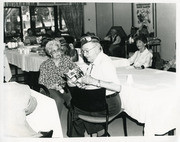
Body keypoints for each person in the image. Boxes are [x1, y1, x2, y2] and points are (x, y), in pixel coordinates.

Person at [67, 35, 122, 137]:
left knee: (74, 108)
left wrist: (94, 81)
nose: (85, 54)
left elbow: (117, 87)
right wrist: (77, 83)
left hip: (109, 104)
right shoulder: (94, 61)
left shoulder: (105, 62)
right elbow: (92, 84)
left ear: (98, 48)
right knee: (77, 105)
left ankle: (79, 137)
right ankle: (101, 132)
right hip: (98, 101)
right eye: (83, 52)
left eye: (87, 51)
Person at [38, 39, 81, 118]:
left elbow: (78, 70)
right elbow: (41, 82)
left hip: (64, 87)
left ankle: (75, 125)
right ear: (50, 53)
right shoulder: (44, 65)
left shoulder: (66, 60)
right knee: (58, 99)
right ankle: (53, 125)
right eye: (54, 51)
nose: (57, 53)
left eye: (58, 50)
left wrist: (73, 77)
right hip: (49, 88)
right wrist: (53, 86)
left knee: (74, 100)